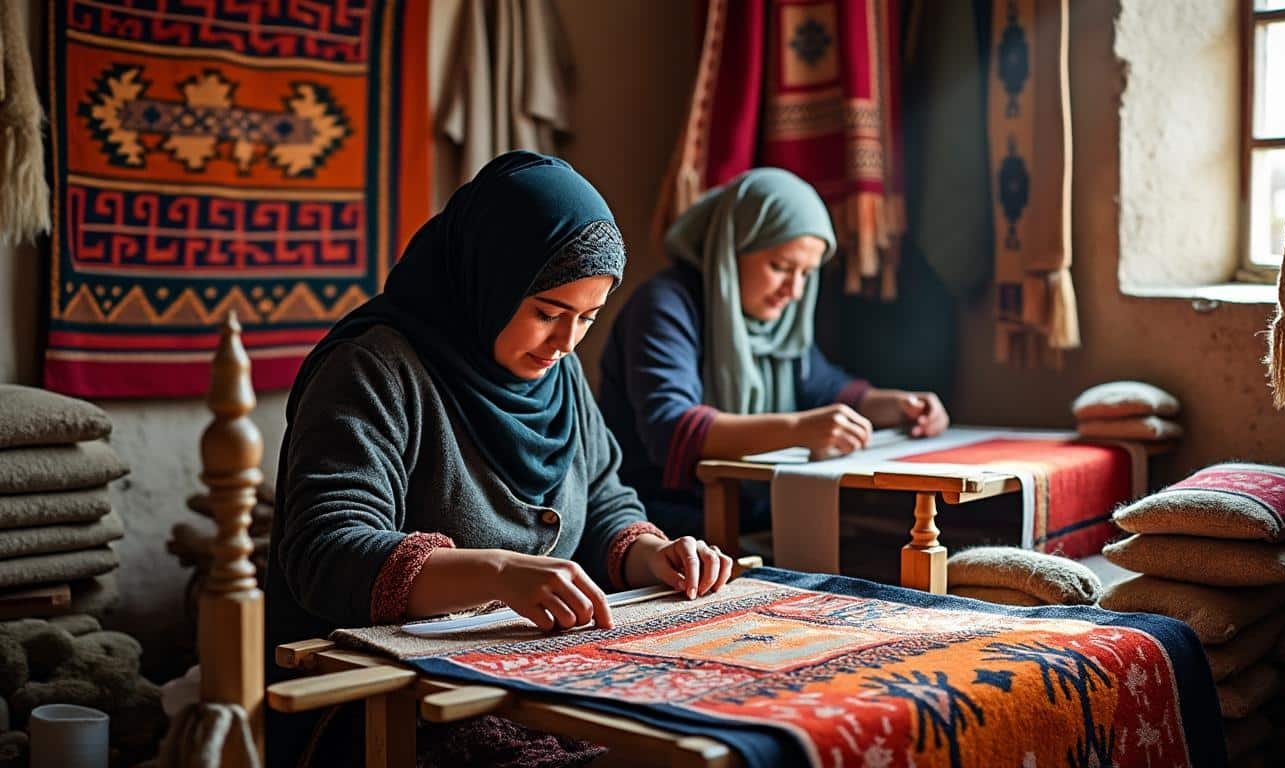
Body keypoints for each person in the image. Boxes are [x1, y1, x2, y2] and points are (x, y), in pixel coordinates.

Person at [265, 151, 733, 766]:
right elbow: (327, 550)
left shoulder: (555, 377)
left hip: (542, 680)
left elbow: (604, 499)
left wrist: (655, 556)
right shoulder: (372, 370)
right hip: (388, 705)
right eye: (546, 313)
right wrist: (498, 576)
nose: (565, 344)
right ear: (488, 278)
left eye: (586, 318)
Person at [599, 168, 950, 539]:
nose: (794, 290)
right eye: (780, 267)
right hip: (665, 527)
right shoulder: (666, 305)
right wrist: (799, 429)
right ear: (732, 246)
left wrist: (902, 405)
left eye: (806, 274)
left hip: (757, 517)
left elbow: (826, 388)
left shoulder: (778, 320)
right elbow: (671, 430)